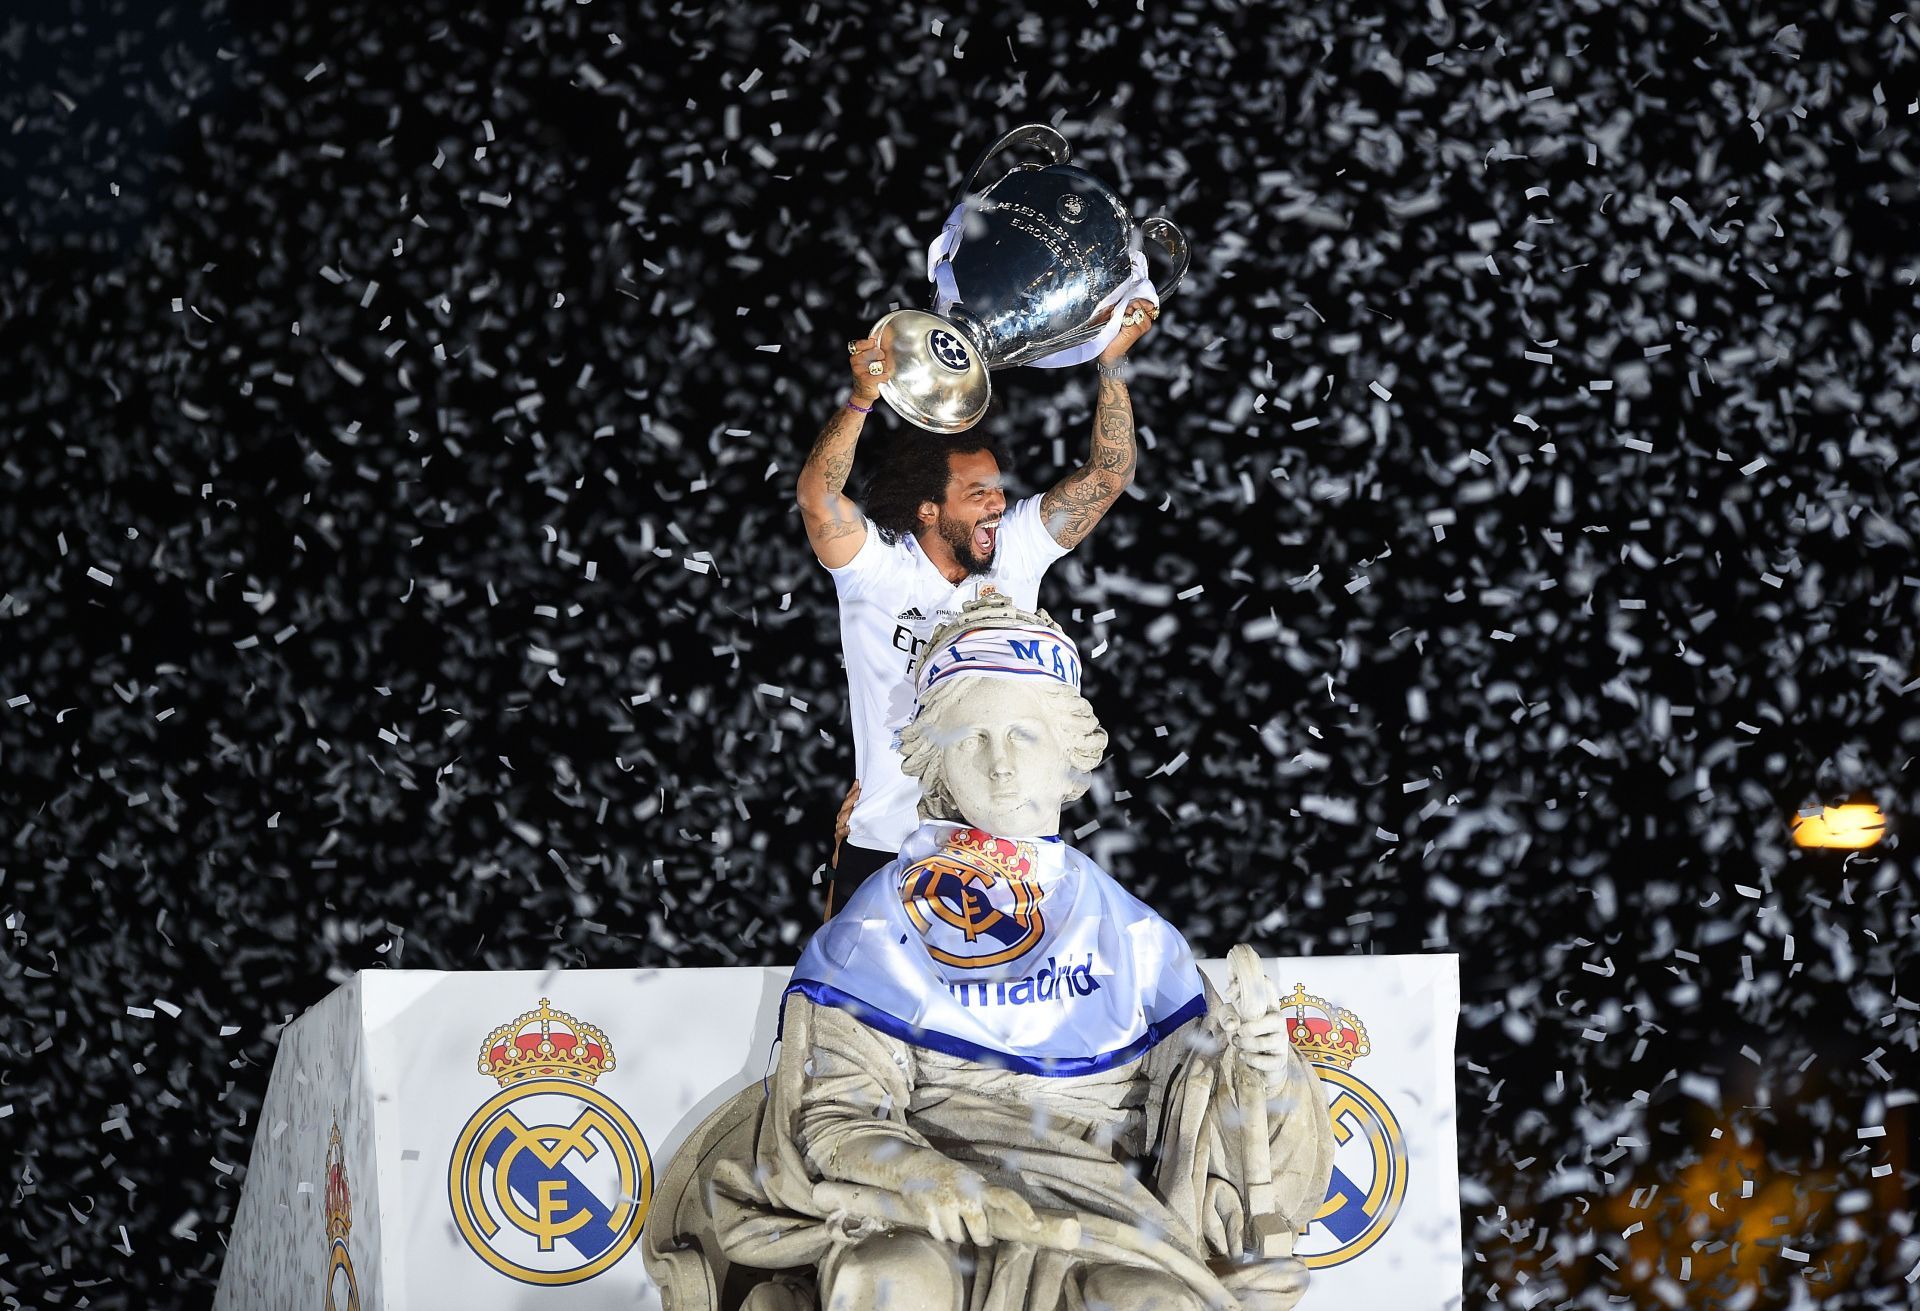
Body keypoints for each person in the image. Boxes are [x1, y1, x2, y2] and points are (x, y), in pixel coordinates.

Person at [644, 598, 1335, 1311]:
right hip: (918, 1209)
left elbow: (1213, 1128)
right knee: (887, 1283)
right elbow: (835, 1119)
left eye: (1023, 735)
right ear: (937, 760)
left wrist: (1264, 1074)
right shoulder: (878, 928)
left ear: (1069, 753)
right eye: (972, 738)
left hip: (1101, 1218)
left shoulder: (1136, 939)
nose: (1000, 764)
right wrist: (927, 1176)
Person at [797, 298, 1160, 914]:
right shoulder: (879, 569)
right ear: (928, 509)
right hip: (889, 841)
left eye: (999, 491)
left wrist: (1112, 363)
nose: (997, 505)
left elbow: (1109, 471)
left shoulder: (1015, 550)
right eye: (978, 494)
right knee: (854, 1008)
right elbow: (818, 495)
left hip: (1003, 845)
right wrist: (863, 399)